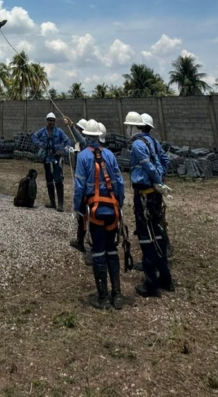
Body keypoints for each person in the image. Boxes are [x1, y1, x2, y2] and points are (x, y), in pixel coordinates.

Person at [73, 119, 125, 309]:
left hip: (95, 211)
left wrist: (76, 208)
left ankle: (103, 298)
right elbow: (119, 182)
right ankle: (117, 295)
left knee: (99, 252)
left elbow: (79, 186)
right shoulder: (109, 155)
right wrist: (120, 204)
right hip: (112, 210)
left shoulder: (83, 157)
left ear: (86, 136)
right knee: (112, 250)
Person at [126, 111, 174, 298]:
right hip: (154, 194)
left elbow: (148, 165)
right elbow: (163, 161)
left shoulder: (137, 144)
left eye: (128, 126)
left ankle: (151, 283)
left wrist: (157, 180)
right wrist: (160, 180)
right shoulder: (152, 142)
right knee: (158, 233)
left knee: (146, 236)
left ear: (134, 127)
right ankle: (166, 278)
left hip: (144, 194)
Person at [139, 112, 172, 257]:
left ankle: (154, 256)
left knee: (148, 221)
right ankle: (165, 247)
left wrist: (155, 178)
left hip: (147, 187)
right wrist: (161, 177)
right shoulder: (154, 142)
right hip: (157, 186)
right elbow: (166, 160)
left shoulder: (141, 143)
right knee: (158, 217)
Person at [32, 112, 71, 211]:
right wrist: (41, 144)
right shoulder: (42, 131)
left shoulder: (59, 132)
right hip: (47, 159)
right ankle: (52, 202)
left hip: (56, 159)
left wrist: (62, 151)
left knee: (58, 180)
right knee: (49, 180)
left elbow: (68, 141)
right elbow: (34, 137)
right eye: (50, 120)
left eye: (53, 120)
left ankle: (60, 204)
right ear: (46, 121)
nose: (52, 122)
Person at [63, 116, 89, 251]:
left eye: (79, 129)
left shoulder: (86, 145)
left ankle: (81, 241)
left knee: (82, 214)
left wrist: (71, 125)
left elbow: (80, 139)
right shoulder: (97, 150)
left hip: (85, 185)